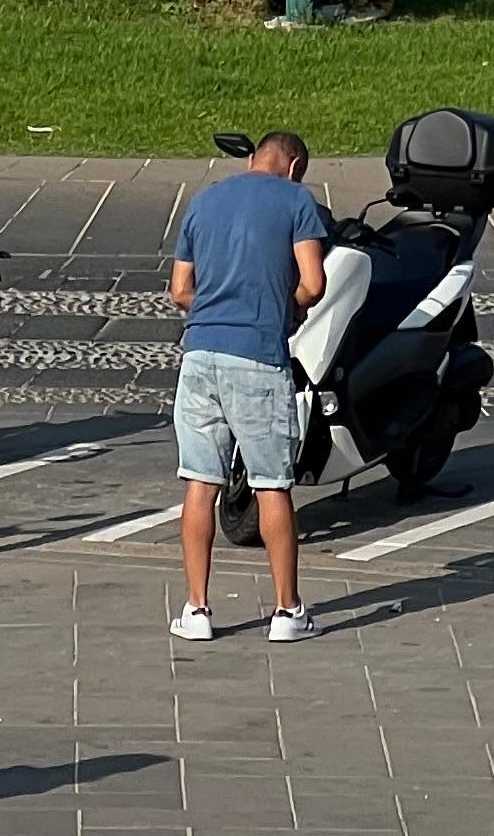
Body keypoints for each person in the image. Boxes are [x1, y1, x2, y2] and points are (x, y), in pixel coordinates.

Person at [170, 125, 330, 642]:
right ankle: (287, 612)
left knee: (200, 483)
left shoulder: (205, 199)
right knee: (271, 485)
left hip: (198, 357)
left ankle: (197, 610)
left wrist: (216, 310)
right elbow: (314, 283)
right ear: (295, 165)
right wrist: (289, 311)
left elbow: (179, 290)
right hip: (258, 358)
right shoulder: (296, 200)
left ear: (253, 160)